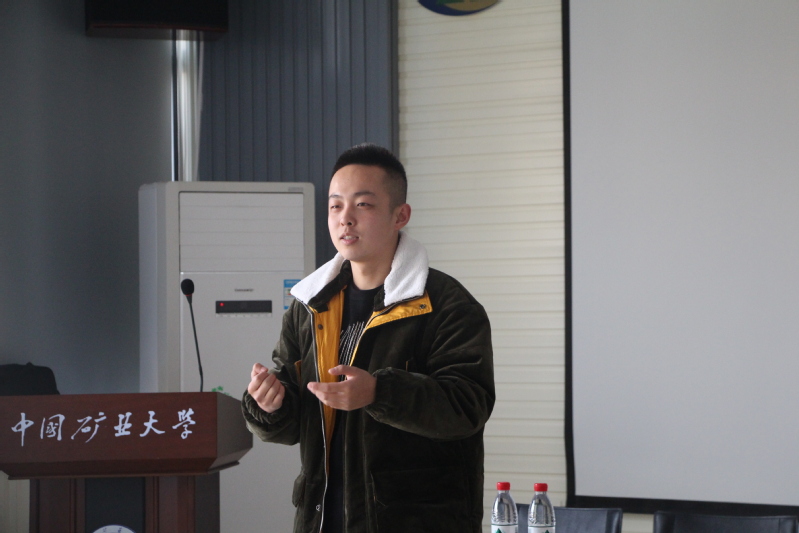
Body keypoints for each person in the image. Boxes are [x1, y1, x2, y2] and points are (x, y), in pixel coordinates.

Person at [242, 143, 495, 533]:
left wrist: (380, 393)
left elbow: (468, 406)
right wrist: (271, 403)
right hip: (322, 520)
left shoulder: (447, 304)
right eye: (335, 206)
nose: (345, 219)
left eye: (363, 205)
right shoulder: (309, 305)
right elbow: (294, 422)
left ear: (400, 215)